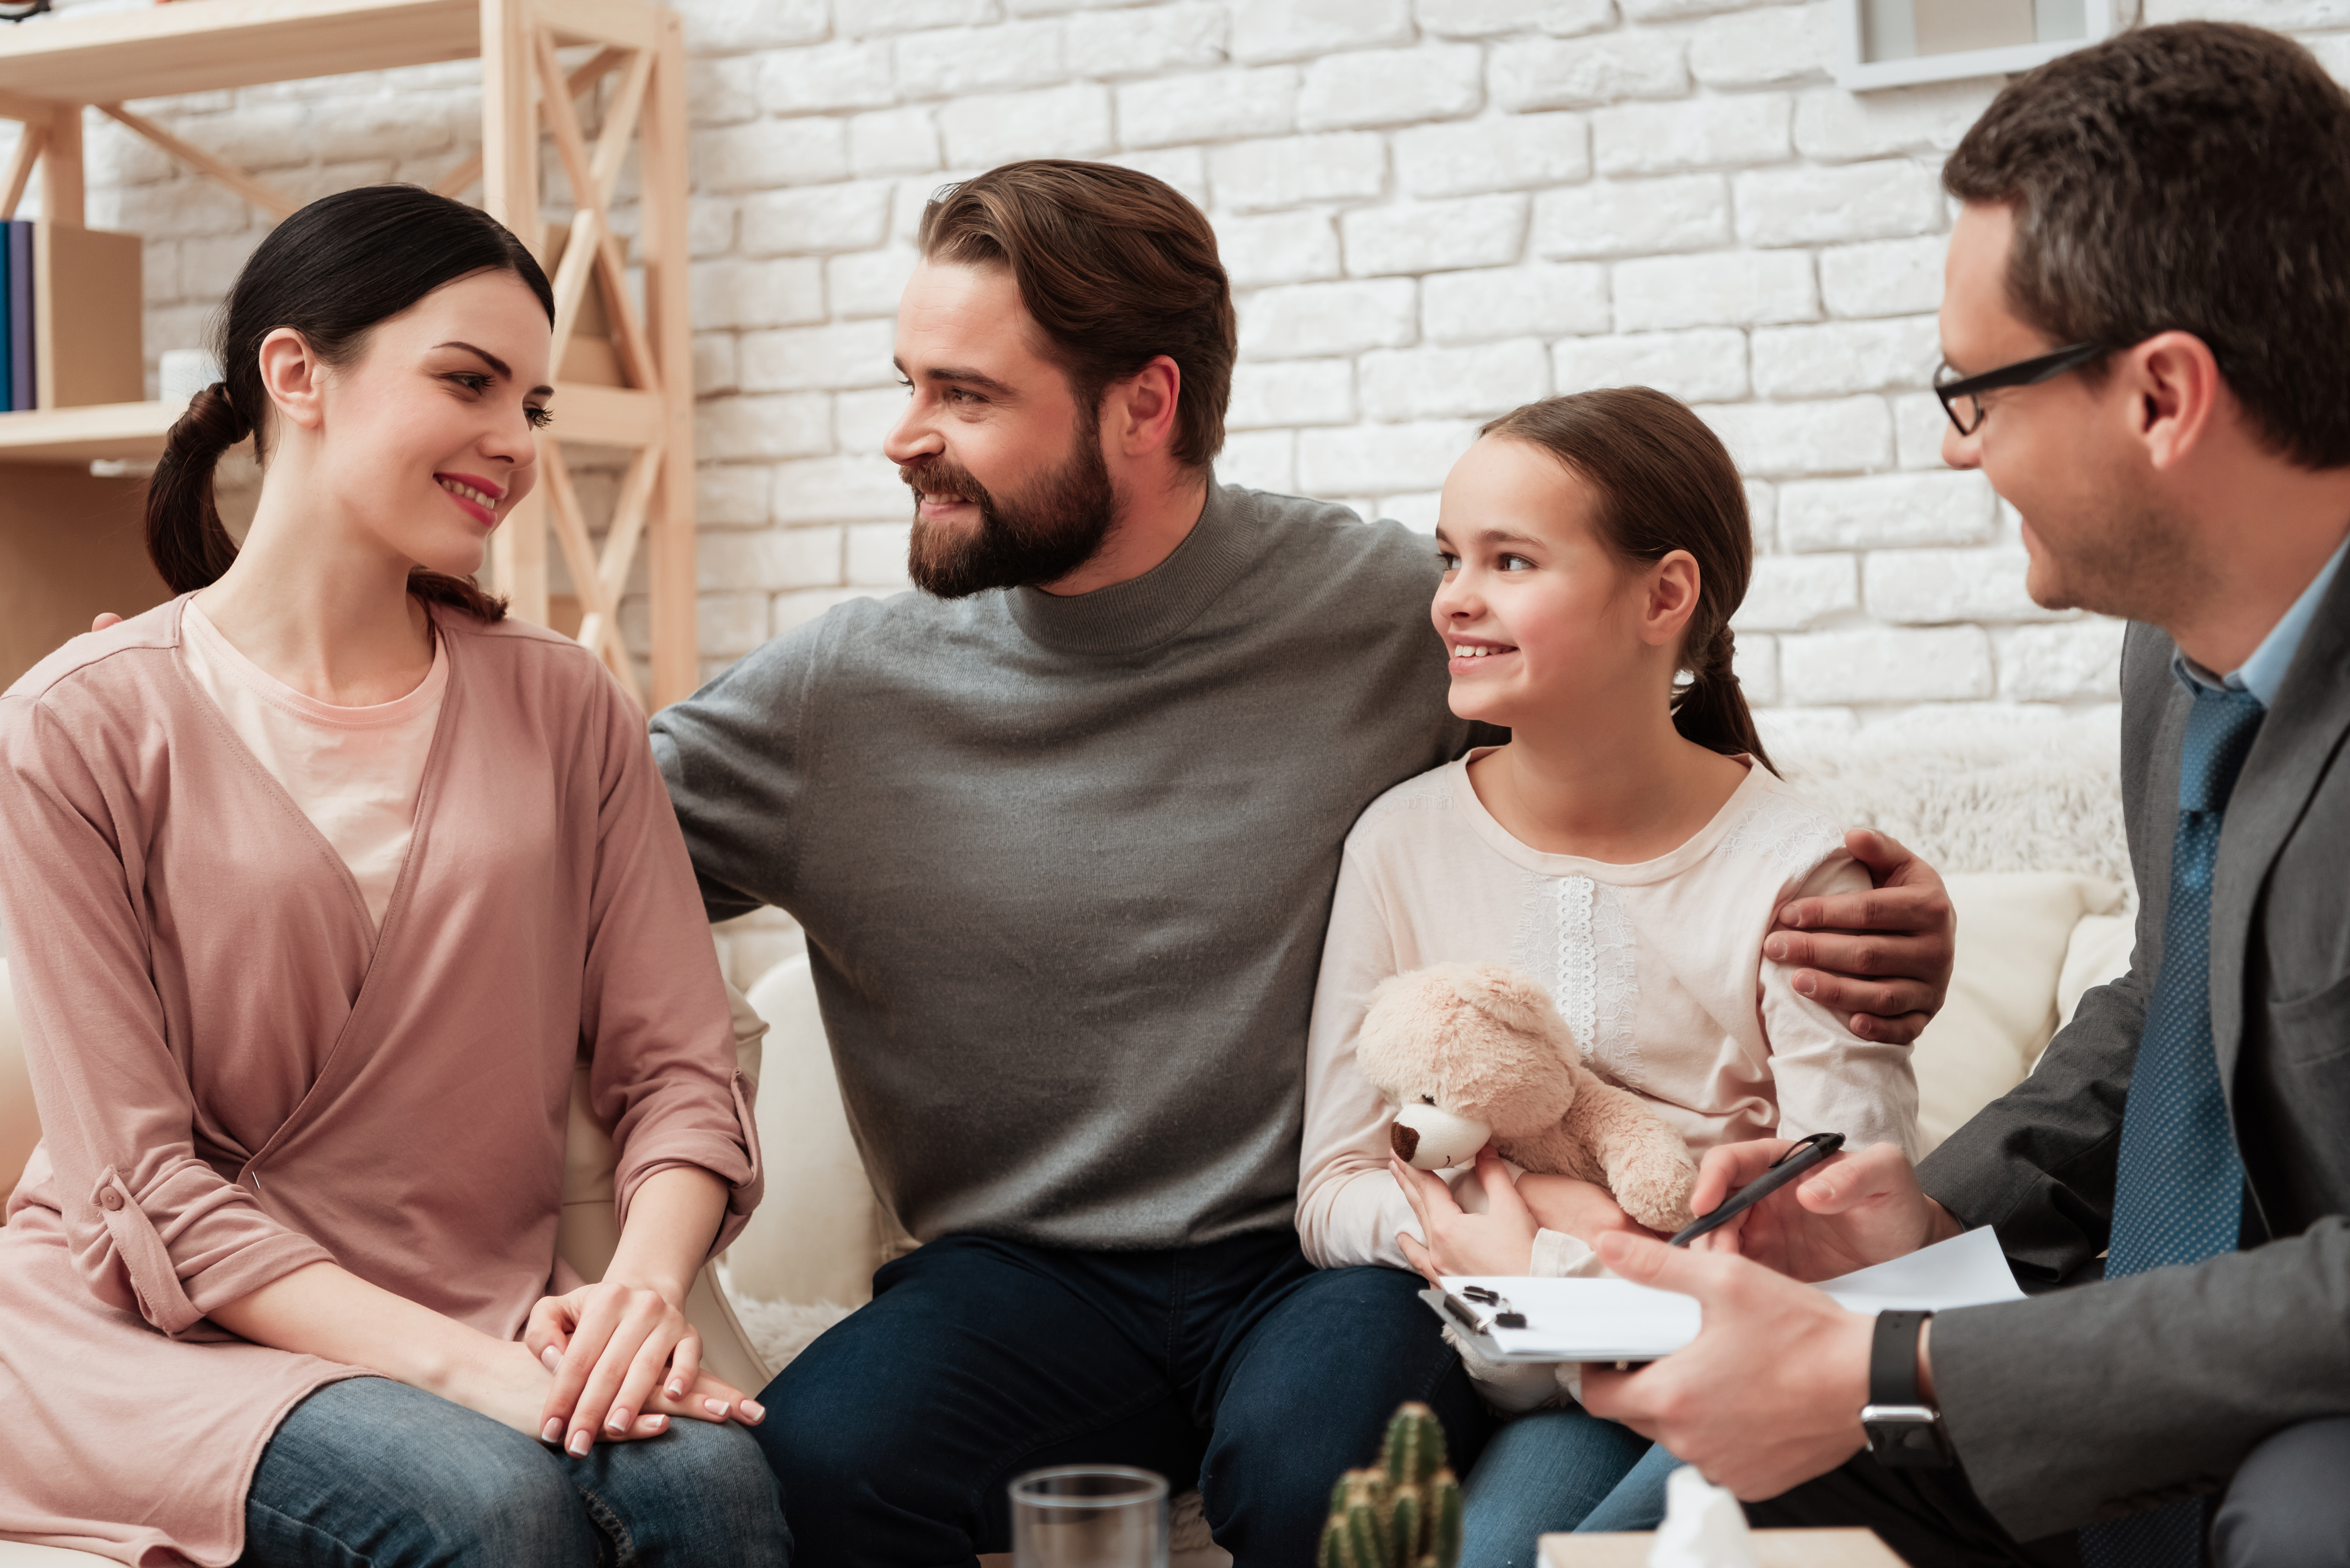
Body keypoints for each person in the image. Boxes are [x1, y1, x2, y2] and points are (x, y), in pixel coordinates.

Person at [647, 159, 1961, 1566]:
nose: (905, 436)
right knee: (818, 1464)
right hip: (1011, 1276)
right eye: (908, 382)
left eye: (964, 395)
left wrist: (1873, 903)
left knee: (1322, 1472)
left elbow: (1634, 730)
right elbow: (557, 843)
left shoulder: (1401, 611)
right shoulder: (834, 702)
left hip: (1315, 1258)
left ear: (1145, 403)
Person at [1564, 23, 2350, 1568]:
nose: (1950, 448)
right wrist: (1912, 1219)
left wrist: (1890, 1363)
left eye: (1972, 391)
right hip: (2179, 1340)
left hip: (2307, 1406)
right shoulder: (2175, 648)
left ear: (2160, 397)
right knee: (1708, 1489)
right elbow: (2174, 1008)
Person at [0, 186, 787, 1567]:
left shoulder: (563, 707)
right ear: (296, 374)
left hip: (475, 1301)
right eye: (467, 381)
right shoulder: (74, 725)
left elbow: (681, 1072)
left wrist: (637, 1301)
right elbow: (148, 1195)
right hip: (153, 1336)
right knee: (489, 1504)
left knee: (715, 1490)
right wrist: (475, 1379)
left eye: (532, 406)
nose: (512, 442)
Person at [1298, 388, 1922, 1568]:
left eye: (1511, 560)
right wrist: (1499, 1238)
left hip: (1741, 1372)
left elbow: (1850, 1251)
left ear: (1666, 595)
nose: (1454, 600)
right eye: (1450, 558)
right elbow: (1333, 1189)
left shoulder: (1809, 881)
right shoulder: (1400, 842)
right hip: (1543, 1383)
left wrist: (1544, 1259)